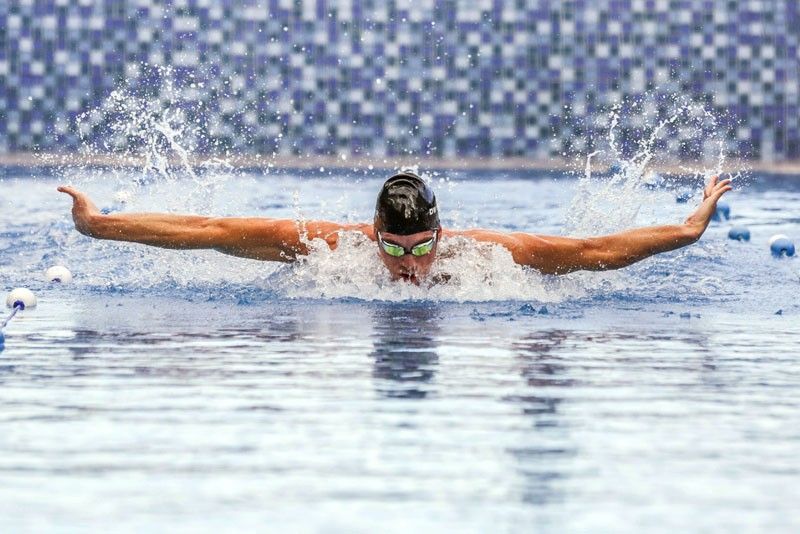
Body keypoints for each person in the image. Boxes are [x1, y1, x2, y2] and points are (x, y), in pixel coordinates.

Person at [58, 171, 732, 284]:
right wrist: (101, 225)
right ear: (370, 230)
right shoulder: (330, 247)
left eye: (419, 248)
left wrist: (690, 227)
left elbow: (593, 250)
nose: (407, 266)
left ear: (441, 235)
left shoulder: (488, 257)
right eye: (392, 246)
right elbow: (208, 227)